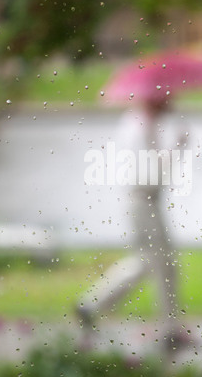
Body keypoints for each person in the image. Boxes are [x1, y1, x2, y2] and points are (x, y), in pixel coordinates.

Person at [78, 95, 191, 353]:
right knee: (162, 264)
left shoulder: (143, 124)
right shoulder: (138, 127)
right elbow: (151, 174)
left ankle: (91, 304)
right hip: (143, 200)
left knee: (150, 262)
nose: (171, 99)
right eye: (166, 95)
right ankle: (170, 329)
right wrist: (178, 147)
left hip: (146, 201)